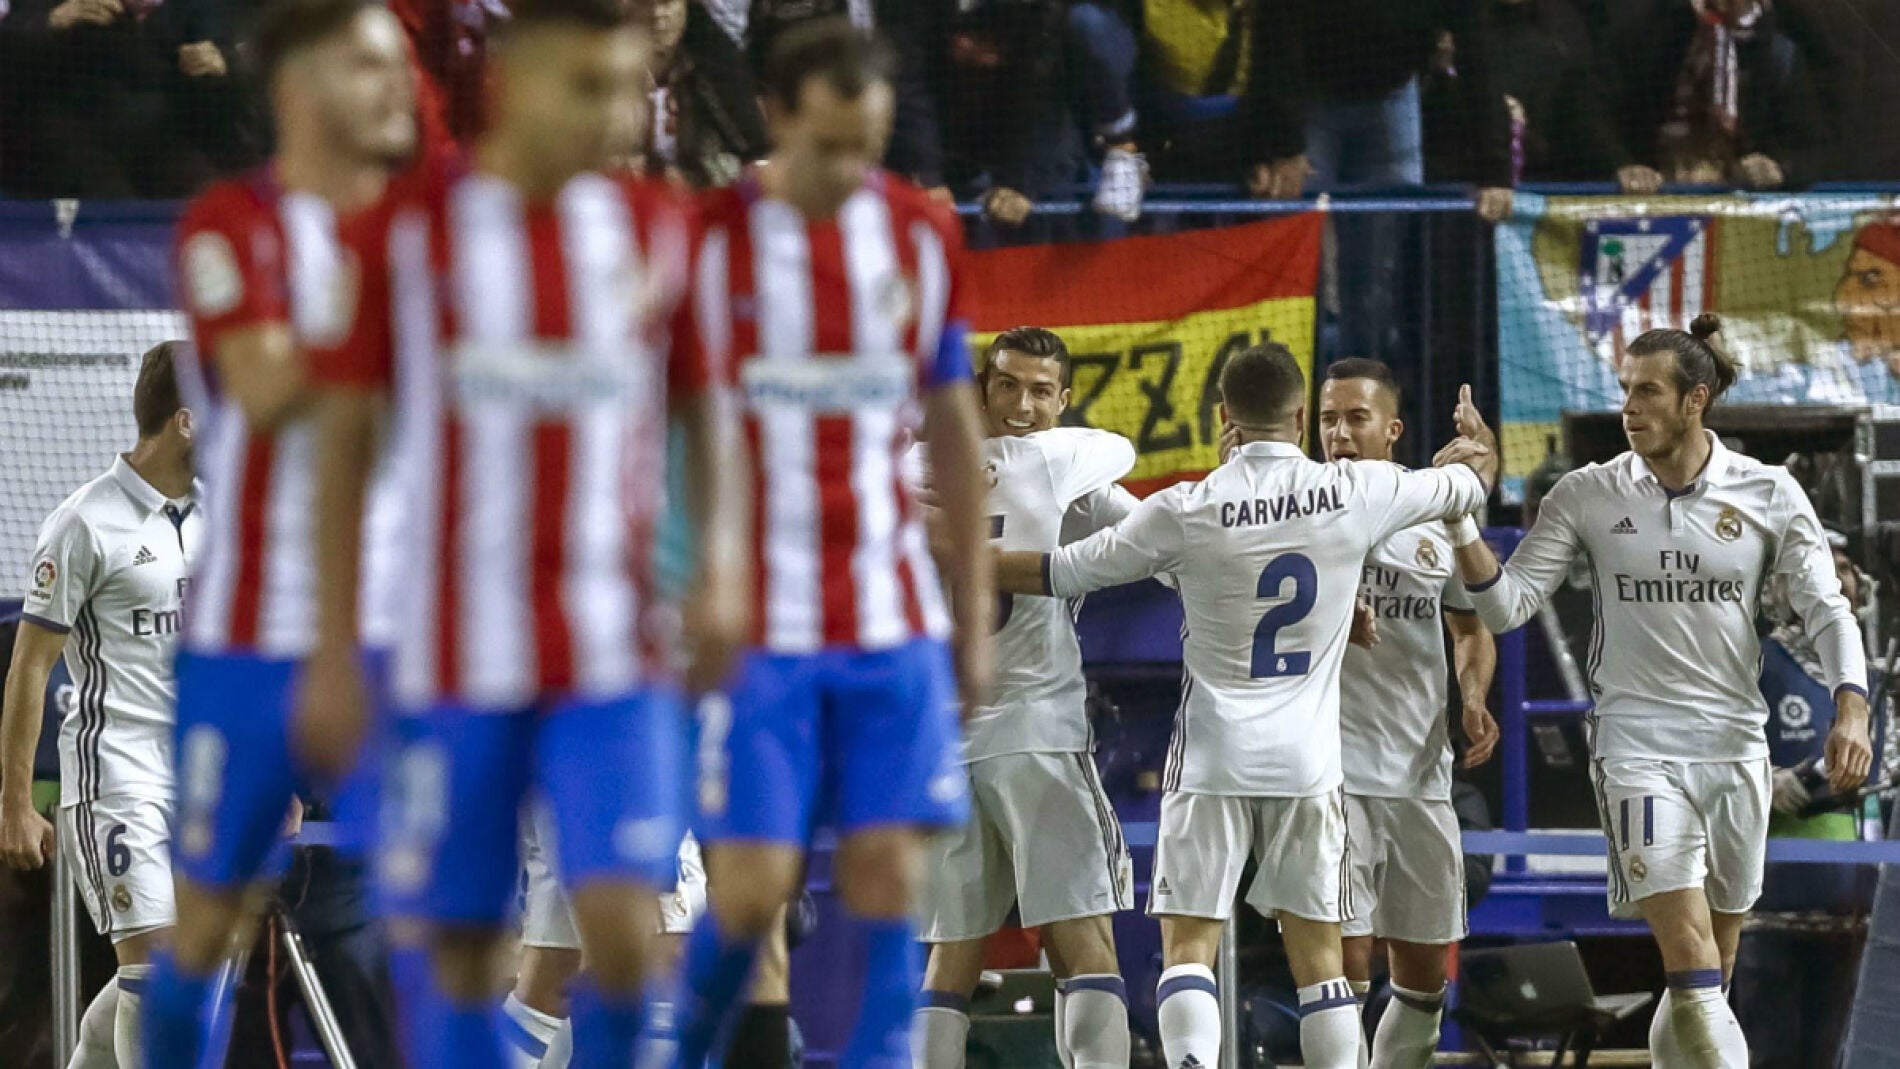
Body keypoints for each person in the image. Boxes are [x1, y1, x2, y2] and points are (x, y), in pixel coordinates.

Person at [299, 0, 751, 1066]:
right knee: (458, 953)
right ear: (511, 76)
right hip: (455, 656)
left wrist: (719, 574)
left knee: (634, 933)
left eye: (632, 89)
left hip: (615, 654)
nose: (618, 116)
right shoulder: (406, 233)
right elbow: (343, 448)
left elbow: (704, 415)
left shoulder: (659, 230)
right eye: (587, 87)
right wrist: (328, 643)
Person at [991, 342, 1496, 1069]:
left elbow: (1065, 570)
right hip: (1311, 764)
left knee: (1189, 946)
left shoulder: (1186, 507)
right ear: (1300, 418)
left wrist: (960, 551)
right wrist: (1477, 459)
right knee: (1323, 961)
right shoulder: (1361, 490)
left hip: (1211, 755)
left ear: (1224, 415)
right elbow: (1460, 492)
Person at [666, 18, 994, 1069]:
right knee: (752, 890)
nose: (854, 168)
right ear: (775, 117)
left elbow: (950, 427)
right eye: (834, 143)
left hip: (887, 610)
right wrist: (698, 581)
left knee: (890, 873)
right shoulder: (712, 238)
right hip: (758, 617)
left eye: (872, 143)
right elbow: (682, 429)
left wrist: (972, 610)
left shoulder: (915, 235)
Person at [1447, 313, 1874, 1069]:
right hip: (1636, 744)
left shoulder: (1769, 493)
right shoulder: (1586, 494)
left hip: (1737, 747)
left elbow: (1828, 609)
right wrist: (1461, 518)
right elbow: (1505, 604)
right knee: (1690, 956)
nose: (1629, 407)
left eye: (1648, 391)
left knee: (1708, 974)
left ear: (1695, 399)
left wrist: (1852, 703)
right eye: (1624, 391)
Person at [138, 4, 420, 1066]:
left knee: (451, 926)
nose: (398, 89)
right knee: (205, 931)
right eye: (368, 67)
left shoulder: (429, 230)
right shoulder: (230, 224)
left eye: (402, 67)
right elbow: (270, 387)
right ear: (298, 89)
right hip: (249, 640)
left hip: (397, 639)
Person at [913, 326, 1139, 1069]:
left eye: (1040, 390)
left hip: (942, 742)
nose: (1022, 403)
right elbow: (1131, 483)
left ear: (1063, 396)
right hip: (1036, 733)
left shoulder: (910, 468)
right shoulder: (1062, 458)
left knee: (951, 953)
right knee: (1083, 938)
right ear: (982, 388)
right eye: (1007, 384)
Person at [0, 342, 200, 1069]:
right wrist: (15, 801)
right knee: (157, 975)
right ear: (185, 421)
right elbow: (30, 667)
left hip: (197, 779)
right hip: (114, 778)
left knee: (176, 970)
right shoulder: (82, 522)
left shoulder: (217, 519)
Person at [1309, 359, 1499, 1069]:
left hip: (1422, 775)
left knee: (1423, 981)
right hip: (1331, 776)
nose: (1340, 433)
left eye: (1356, 418)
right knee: (1345, 970)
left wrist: (1473, 695)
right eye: (1329, 418)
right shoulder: (1300, 508)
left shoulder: (1435, 515)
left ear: (1391, 430)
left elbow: (1474, 629)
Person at [1731, 528, 1876, 1069]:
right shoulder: (1757, 663)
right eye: (1823, 568)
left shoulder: (1867, 677)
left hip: (1847, 911)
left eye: (1847, 568)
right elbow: (1713, 752)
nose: (1840, 579)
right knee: (1770, 1054)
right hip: (1769, 906)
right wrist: (1765, 781)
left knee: (1831, 1055)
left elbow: (1878, 767)